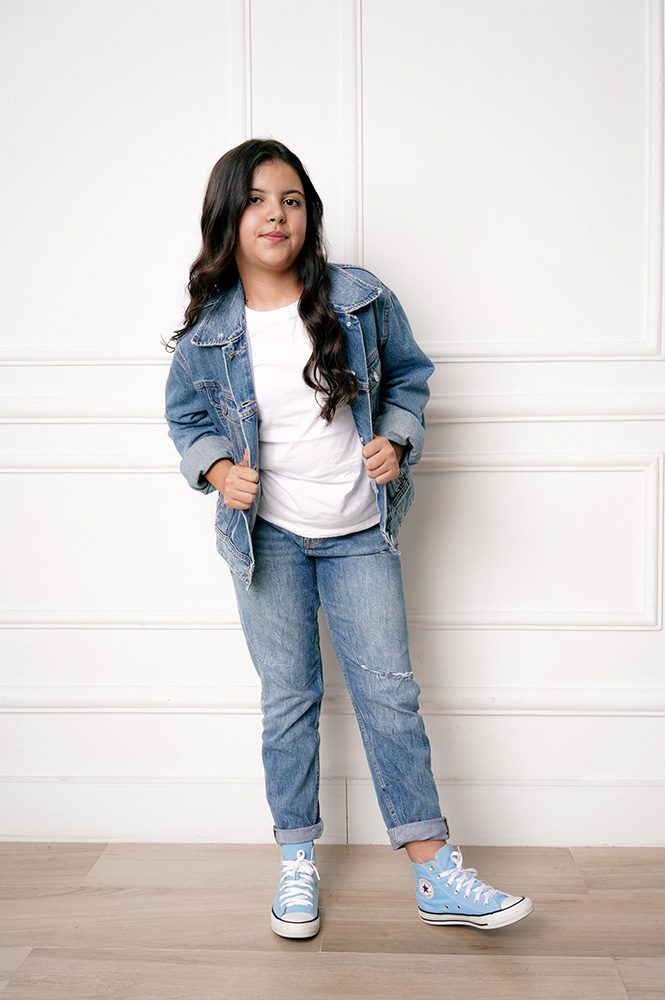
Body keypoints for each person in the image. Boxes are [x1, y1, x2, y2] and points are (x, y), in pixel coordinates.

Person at [163, 137, 534, 939]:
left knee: (388, 694)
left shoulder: (359, 299)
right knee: (288, 700)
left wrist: (396, 439)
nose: (275, 215)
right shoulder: (207, 335)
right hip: (267, 540)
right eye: (256, 200)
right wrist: (218, 470)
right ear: (227, 217)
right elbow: (186, 420)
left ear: (309, 214)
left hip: (359, 531)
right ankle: (296, 862)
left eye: (291, 200)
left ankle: (433, 870)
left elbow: (410, 378)